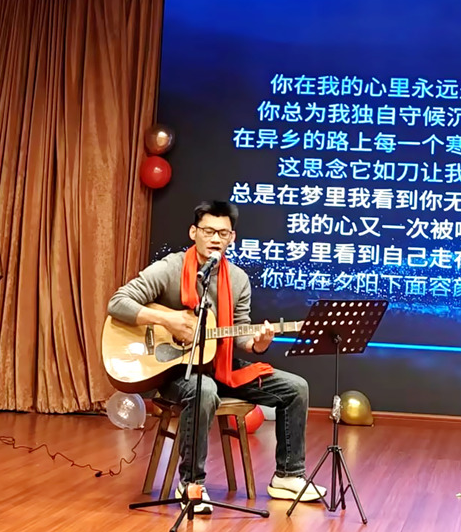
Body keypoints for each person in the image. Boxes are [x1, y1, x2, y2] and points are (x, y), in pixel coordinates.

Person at [107, 200, 325, 513]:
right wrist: (168, 320)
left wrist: (259, 344)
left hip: (220, 364)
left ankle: (288, 476)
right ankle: (191, 483)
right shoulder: (169, 268)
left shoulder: (237, 279)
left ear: (232, 238)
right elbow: (118, 302)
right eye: (208, 231)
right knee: (203, 390)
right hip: (176, 372)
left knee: (295, 388)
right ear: (193, 232)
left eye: (223, 233)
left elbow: (242, 334)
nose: (215, 239)